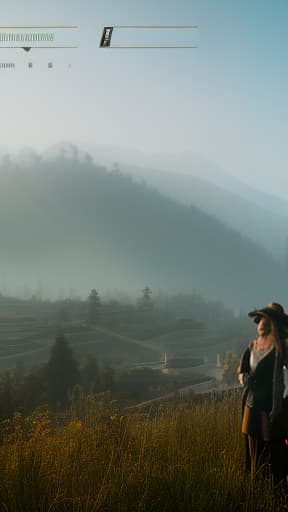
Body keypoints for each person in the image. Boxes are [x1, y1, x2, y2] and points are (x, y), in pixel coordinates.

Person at [238, 302, 288, 487]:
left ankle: (277, 489)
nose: (261, 324)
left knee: (276, 452)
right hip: (252, 404)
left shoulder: (281, 348)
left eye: (266, 321)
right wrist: (243, 377)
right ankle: (256, 486)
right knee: (254, 453)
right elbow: (242, 369)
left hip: (273, 407)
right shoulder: (252, 347)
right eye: (260, 320)